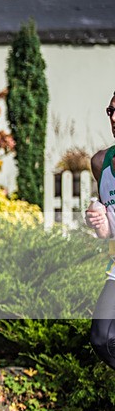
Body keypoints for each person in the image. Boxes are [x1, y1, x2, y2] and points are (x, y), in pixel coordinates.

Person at [89, 91, 115, 370]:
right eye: (110, 111)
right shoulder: (101, 163)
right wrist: (97, 220)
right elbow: (107, 231)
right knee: (101, 338)